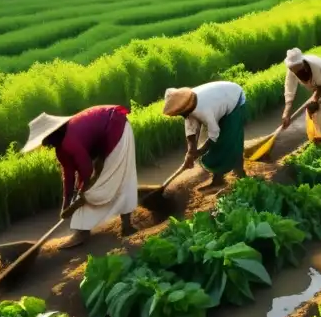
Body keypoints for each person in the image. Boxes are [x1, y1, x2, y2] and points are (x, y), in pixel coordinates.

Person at [22, 105, 138, 249]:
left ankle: (125, 226)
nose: (45, 145)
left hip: (117, 127)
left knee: (119, 177)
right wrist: (66, 203)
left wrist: (83, 193)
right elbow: (69, 174)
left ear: (52, 133)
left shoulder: (70, 140)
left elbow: (87, 170)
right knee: (86, 190)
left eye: (46, 140)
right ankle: (82, 230)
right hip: (104, 136)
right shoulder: (61, 149)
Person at [164, 81, 247, 190]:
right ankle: (219, 179)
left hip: (235, 100)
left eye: (180, 113)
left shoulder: (203, 110)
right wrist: (191, 152)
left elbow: (214, 135)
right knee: (218, 145)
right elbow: (190, 130)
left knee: (229, 141)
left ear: (185, 108)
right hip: (220, 100)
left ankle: (240, 174)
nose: (180, 115)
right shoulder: (189, 105)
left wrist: (200, 151)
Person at [281, 48, 321, 143]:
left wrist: (314, 98)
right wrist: (286, 112)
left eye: (295, 69)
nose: (293, 71)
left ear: (302, 64)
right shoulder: (292, 68)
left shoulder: (315, 67)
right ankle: (319, 136)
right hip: (317, 87)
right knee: (313, 112)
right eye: (291, 69)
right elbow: (289, 88)